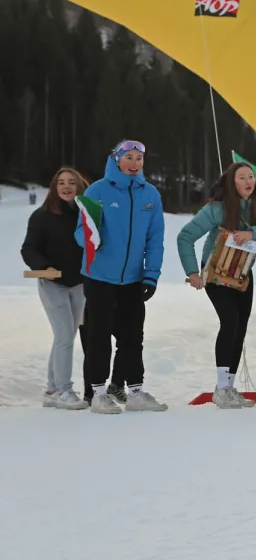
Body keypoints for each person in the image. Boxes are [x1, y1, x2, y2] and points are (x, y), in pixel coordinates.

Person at [177, 162, 256, 409]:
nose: (248, 181)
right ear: (231, 182)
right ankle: (221, 387)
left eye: (251, 177)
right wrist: (193, 272)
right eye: (242, 177)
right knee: (230, 321)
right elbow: (185, 237)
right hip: (216, 272)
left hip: (243, 273)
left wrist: (253, 233)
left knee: (240, 327)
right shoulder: (217, 207)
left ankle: (229, 387)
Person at [75, 141, 167, 414]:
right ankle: (99, 393)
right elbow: (81, 231)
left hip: (133, 279)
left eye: (139, 158)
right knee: (99, 336)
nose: (135, 162)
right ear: (116, 160)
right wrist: (92, 240)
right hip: (100, 276)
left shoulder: (150, 194)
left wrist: (151, 275)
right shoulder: (98, 190)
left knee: (132, 337)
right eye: (129, 157)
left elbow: (155, 238)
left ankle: (135, 391)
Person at [21, 167, 91, 410]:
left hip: (79, 284)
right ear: (54, 187)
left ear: (79, 187)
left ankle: (52, 389)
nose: (66, 186)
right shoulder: (41, 216)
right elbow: (28, 249)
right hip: (53, 284)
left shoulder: (85, 216)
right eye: (61, 182)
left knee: (67, 337)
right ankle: (64, 390)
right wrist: (44, 267)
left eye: (71, 182)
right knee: (64, 336)